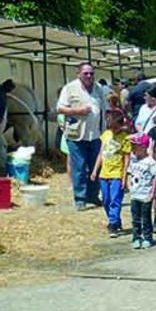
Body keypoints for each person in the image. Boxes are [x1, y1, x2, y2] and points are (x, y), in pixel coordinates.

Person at [56, 62, 106, 210]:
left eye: (91, 73)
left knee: (95, 167)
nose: (89, 76)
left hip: (96, 135)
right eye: (86, 73)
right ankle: (80, 198)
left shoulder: (98, 89)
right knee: (79, 167)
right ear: (79, 74)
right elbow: (60, 108)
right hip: (76, 135)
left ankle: (93, 195)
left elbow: (104, 109)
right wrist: (78, 111)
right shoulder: (70, 88)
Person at [90, 110, 131, 237]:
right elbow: (101, 154)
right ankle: (115, 220)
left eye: (115, 127)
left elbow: (126, 159)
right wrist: (95, 170)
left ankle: (113, 223)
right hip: (104, 174)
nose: (113, 130)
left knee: (115, 199)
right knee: (106, 200)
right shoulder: (106, 135)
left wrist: (124, 177)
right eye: (111, 127)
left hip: (117, 174)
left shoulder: (125, 138)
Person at [127, 133, 156, 249]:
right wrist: (128, 185)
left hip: (146, 195)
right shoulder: (133, 160)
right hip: (135, 194)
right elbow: (130, 173)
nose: (133, 149)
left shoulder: (150, 162)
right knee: (135, 218)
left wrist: (153, 192)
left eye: (135, 146)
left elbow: (155, 177)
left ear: (144, 147)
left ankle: (147, 237)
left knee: (146, 217)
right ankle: (136, 237)